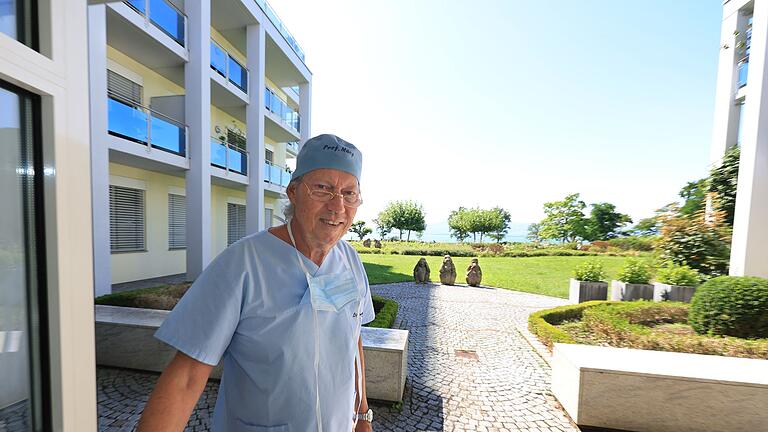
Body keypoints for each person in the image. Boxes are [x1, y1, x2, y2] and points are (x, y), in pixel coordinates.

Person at [137, 134, 375, 432]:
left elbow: (353, 338)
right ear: (293, 191)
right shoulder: (242, 263)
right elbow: (186, 376)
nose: (337, 206)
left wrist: (362, 413)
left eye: (349, 193)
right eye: (323, 189)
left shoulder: (349, 261)